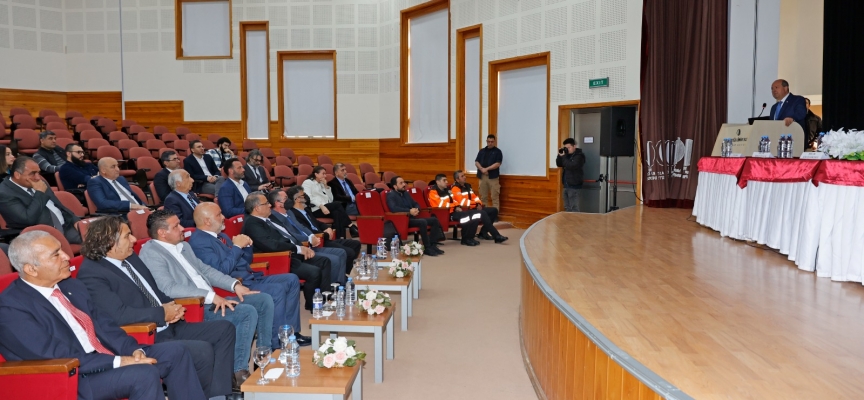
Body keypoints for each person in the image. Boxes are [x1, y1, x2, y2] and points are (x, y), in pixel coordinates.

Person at [0, 231, 207, 400]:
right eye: (56, 255)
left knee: (176, 352)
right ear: (31, 269)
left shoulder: (72, 286)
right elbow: (53, 354)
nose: (67, 257)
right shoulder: (11, 307)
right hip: (72, 377)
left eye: (62, 250)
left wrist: (134, 351)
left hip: (106, 358)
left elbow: (106, 326)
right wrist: (118, 362)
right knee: (143, 374)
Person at [76, 216, 236, 397]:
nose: (134, 240)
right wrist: (162, 313)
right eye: (127, 236)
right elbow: (118, 315)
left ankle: (218, 394)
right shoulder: (92, 274)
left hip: (170, 325)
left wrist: (173, 306)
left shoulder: (130, 257)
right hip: (147, 334)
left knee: (224, 329)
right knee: (201, 351)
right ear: (110, 242)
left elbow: (154, 291)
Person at [138, 209, 273, 388]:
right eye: (176, 226)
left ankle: (263, 358)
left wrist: (234, 285)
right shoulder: (151, 253)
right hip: (192, 307)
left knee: (263, 300)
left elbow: (205, 270)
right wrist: (210, 296)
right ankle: (238, 373)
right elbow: (168, 288)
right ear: (162, 233)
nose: (183, 228)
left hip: (210, 298)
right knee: (246, 313)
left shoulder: (183, 246)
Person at [189, 202, 310, 347]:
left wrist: (246, 246)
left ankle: (291, 333)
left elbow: (245, 261)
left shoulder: (221, 236)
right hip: (234, 286)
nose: (223, 217)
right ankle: (276, 342)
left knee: (291, 279)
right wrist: (237, 246)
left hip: (250, 277)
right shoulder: (199, 242)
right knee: (277, 289)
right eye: (219, 214)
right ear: (207, 221)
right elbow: (220, 271)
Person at [241, 191, 332, 311]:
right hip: (278, 259)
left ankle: (324, 299)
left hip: (290, 253)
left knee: (324, 261)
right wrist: (298, 249)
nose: (270, 205)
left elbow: (287, 236)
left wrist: (302, 247)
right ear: (257, 208)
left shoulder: (266, 219)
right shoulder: (252, 223)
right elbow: (271, 245)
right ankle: (314, 305)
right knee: (314, 272)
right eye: (266, 203)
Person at [269, 187, 354, 283]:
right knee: (334, 259)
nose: (289, 200)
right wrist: (309, 239)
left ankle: (340, 283)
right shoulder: (275, 217)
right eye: (286, 198)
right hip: (301, 247)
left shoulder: (289, 212)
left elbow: (301, 227)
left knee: (341, 253)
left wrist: (312, 236)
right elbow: (292, 234)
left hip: (311, 243)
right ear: (278, 203)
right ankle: (334, 286)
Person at [0, 157, 82, 244]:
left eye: (38, 172)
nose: (38, 177)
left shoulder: (41, 182)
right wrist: (40, 193)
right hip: (39, 236)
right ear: (17, 175)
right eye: (32, 173)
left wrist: (75, 220)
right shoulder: (4, 193)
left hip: (66, 227)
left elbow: (59, 206)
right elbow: (27, 219)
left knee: (91, 238)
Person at [429, 174, 507, 246]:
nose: (446, 182)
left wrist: (458, 206)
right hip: (446, 214)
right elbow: (440, 204)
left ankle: (471, 237)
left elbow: (454, 201)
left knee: (478, 214)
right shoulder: (433, 192)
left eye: (446, 180)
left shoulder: (447, 190)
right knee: (468, 216)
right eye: (444, 180)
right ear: (437, 182)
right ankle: (466, 239)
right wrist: (455, 206)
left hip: (456, 211)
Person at [386, 176, 444, 256]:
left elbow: (415, 203)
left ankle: (433, 245)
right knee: (422, 222)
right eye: (401, 183)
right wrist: (409, 211)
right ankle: (427, 247)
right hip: (403, 220)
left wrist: (416, 209)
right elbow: (394, 208)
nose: (404, 184)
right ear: (395, 186)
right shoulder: (391, 195)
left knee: (434, 220)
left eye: (404, 182)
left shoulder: (406, 193)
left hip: (412, 218)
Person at [302, 166, 351, 239]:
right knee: (337, 204)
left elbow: (330, 199)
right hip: (315, 209)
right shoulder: (308, 183)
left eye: (325, 174)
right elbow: (308, 198)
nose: (325, 176)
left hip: (326, 208)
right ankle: (350, 224)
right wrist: (321, 206)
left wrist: (326, 186)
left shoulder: (322, 184)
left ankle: (340, 237)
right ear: (316, 174)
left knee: (337, 213)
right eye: (323, 174)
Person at [451, 170, 501, 240]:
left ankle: (483, 233)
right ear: (457, 179)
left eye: (464, 175)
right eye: (462, 176)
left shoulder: (467, 186)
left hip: (474, 207)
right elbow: (462, 202)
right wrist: (475, 205)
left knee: (494, 210)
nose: (465, 177)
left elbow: (476, 197)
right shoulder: (455, 189)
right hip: (466, 210)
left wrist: (478, 203)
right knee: (482, 213)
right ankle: (496, 235)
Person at [556, 138, 586, 212]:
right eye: (566, 148)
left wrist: (564, 157)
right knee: (567, 207)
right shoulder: (566, 156)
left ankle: (575, 220)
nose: (567, 149)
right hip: (566, 185)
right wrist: (560, 155)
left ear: (574, 146)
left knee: (574, 208)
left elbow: (571, 165)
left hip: (574, 186)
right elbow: (559, 164)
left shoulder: (579, 156)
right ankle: (568, 220)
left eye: (569, 147)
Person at [474, 134, 503, 208]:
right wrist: (482, 169)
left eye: (492, 142)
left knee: (495, 197)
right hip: (482, 177)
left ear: (494, 142)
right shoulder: (482, 151)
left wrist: (486, 169)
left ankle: (495, 213)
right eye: (489, 141)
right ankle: (484, 213)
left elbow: (497, 164)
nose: (490, 143)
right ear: (486, 141)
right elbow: (476, 162)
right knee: (483, 197)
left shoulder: (498, 152)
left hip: (493, 177)